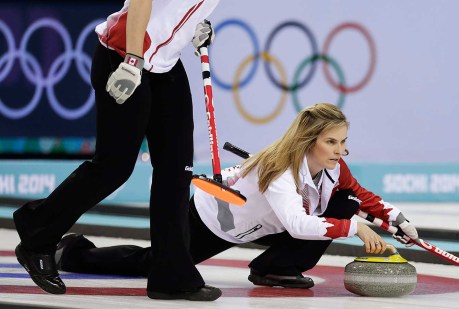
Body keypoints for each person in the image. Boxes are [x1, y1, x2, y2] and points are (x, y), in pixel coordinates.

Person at [53, 103, 420, 290]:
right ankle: (73, 252)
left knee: (348, 202)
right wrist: (354, 227)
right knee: (155, 264)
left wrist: (397, 220)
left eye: (342, 141)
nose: (340, 149)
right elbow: (297, 223)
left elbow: (361, 195)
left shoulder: (335, 167)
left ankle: (275, 269)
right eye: (331, 141)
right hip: (213, 219)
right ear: (310, 141)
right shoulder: (280, 172)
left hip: (261, 223)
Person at [13, 0, 223, 302]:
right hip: (125, 55)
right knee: (114, 166)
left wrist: (192, 27)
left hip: (165, 65)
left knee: (177, 170)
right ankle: (37, 232)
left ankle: (172, 276)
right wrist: (133, 61)